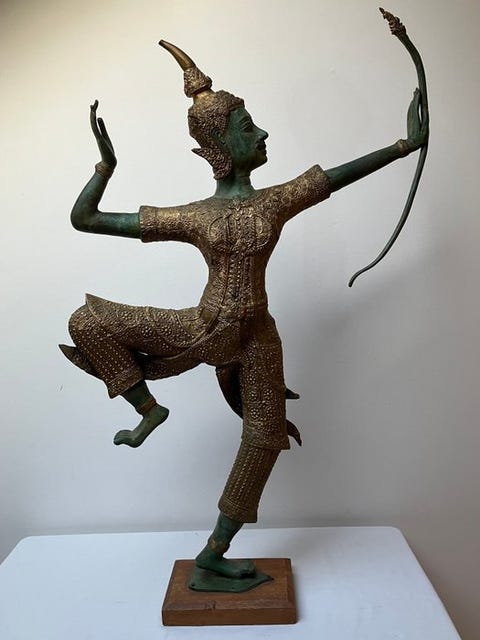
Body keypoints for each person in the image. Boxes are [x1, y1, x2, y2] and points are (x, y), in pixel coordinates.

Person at [61, 40, 428, 588]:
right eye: (248, 127)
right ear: (219, 145)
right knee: (86, 321)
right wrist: (104, 167)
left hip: (257, 339)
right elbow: (85, 219)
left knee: (264, 438)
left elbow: (335, 176)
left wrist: (404, 146)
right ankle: (148, 409)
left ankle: (213, 552)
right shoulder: (191, 216)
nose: (262, 134)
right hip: (200, 327)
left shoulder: (275, 201)